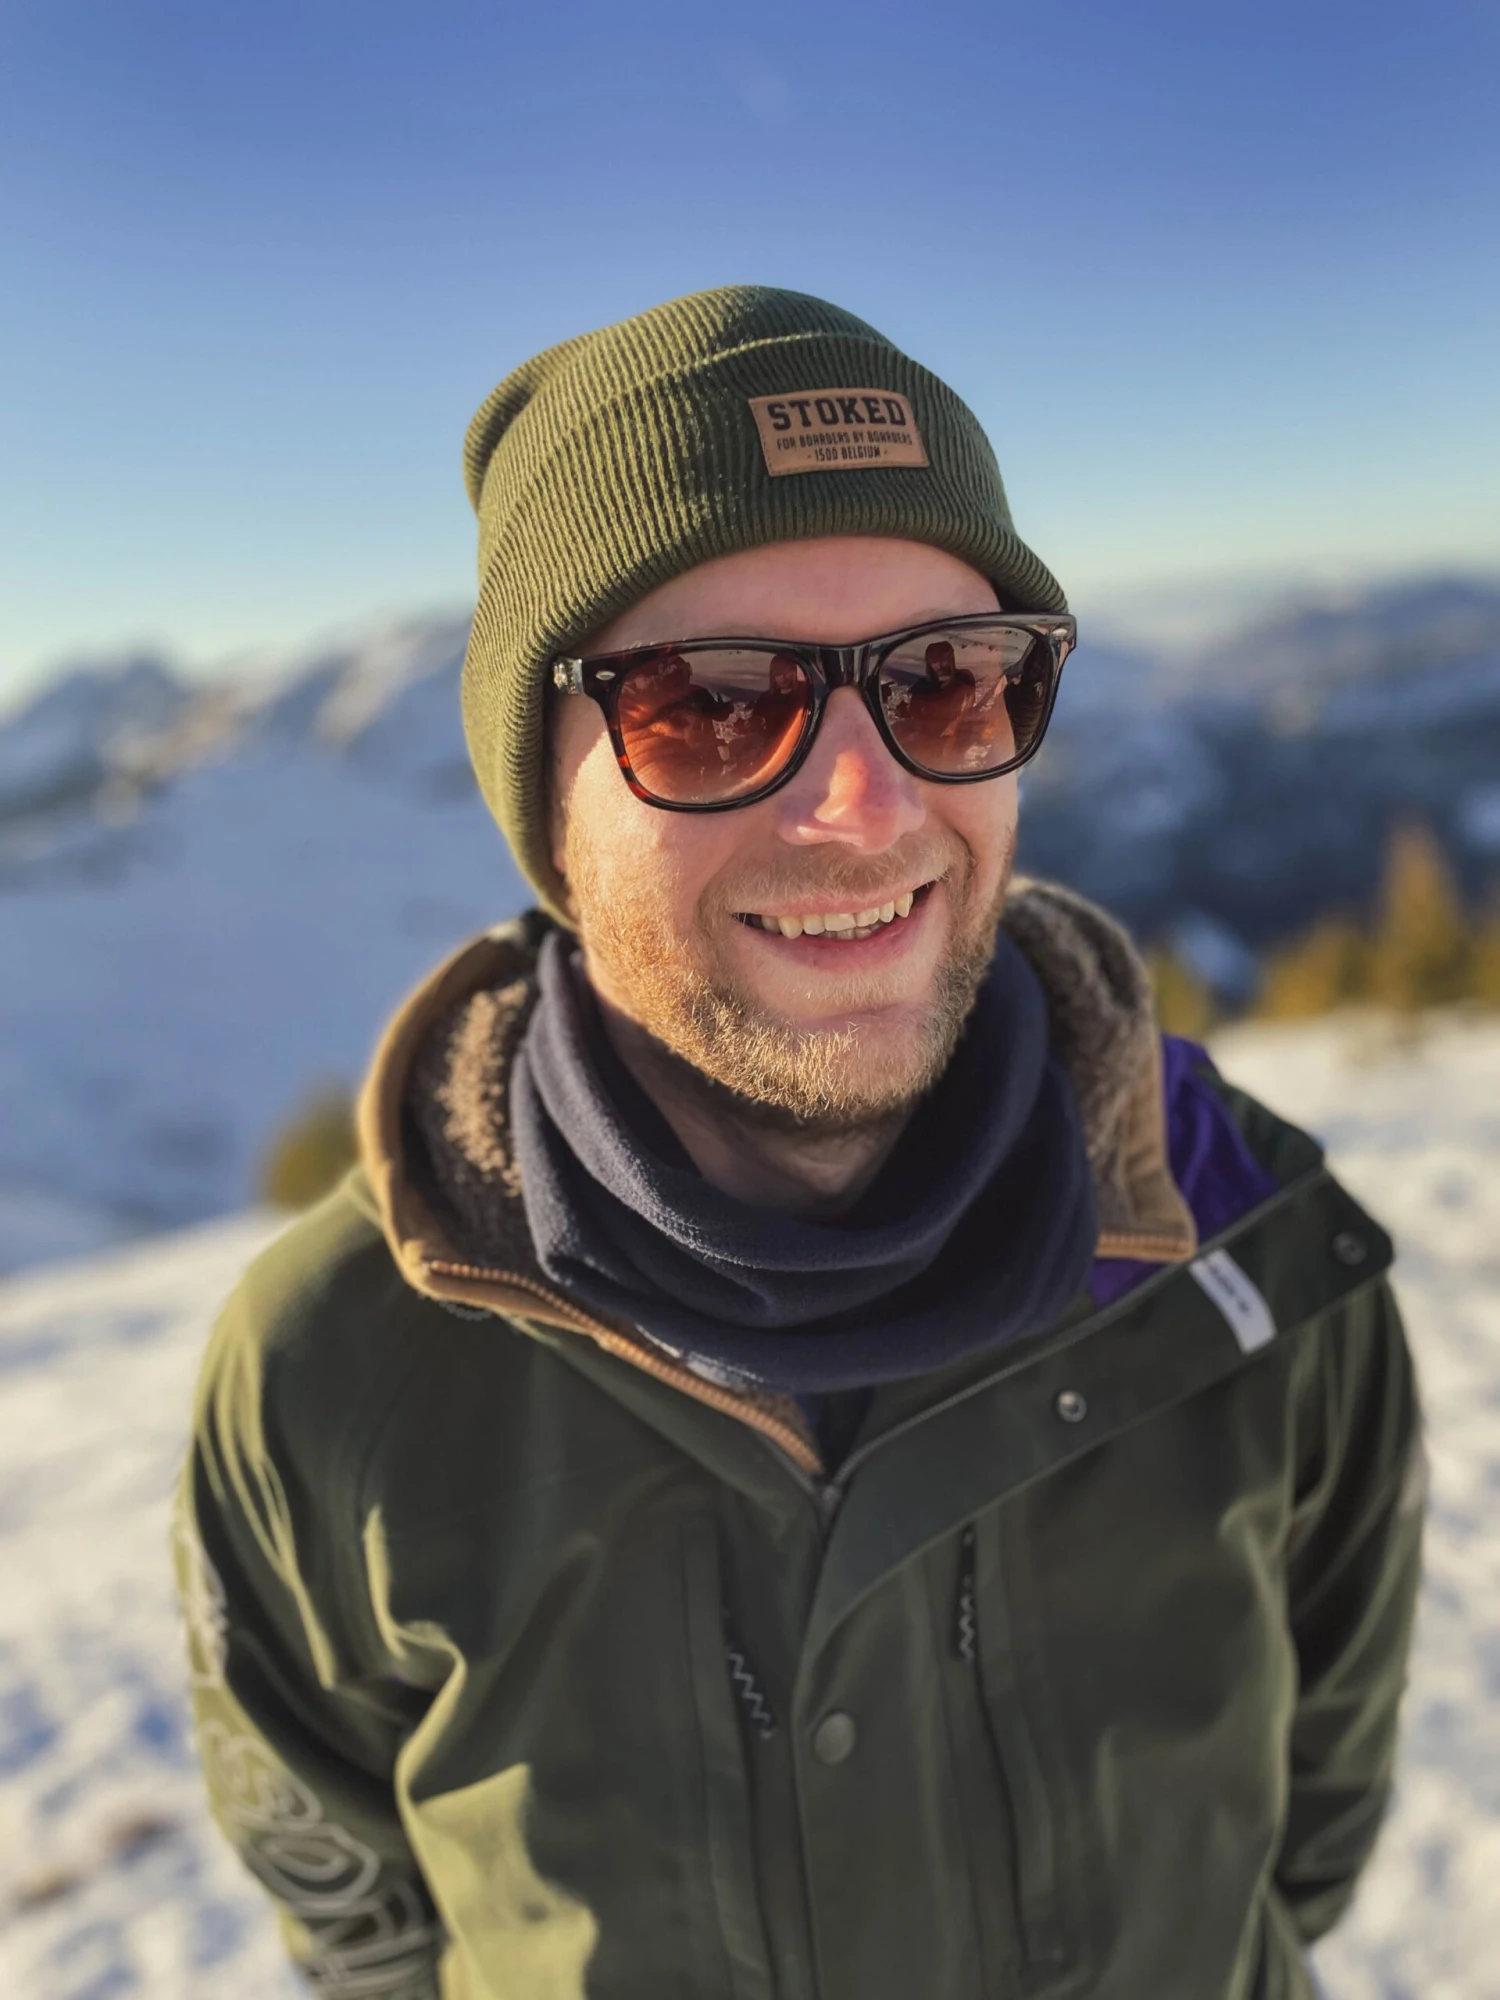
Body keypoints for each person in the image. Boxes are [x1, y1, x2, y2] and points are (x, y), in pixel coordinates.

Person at [174, 287, 1423, 2000]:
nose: (868, 806)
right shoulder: (339, 1368)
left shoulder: (1250, 1240)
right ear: (544, 799)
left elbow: (1314, 1819)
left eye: (950, 682)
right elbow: (354, 1906)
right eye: (709, 704)